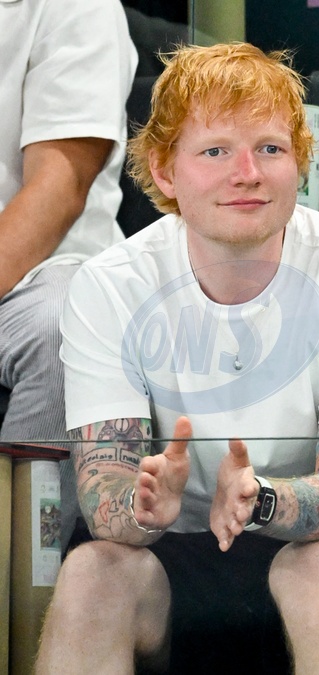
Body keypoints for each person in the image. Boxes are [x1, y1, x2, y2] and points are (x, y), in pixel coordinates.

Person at [36, 43, 319, 674]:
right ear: (164, 172)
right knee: (94, 574)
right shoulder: (108, 286)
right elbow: (104, 487)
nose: (247, 173)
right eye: (215, 151)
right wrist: (142, 507)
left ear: (298, 164)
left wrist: (263, 499)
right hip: (180, 546)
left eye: (270, 149)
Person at [0, 0, 137, 551]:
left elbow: (59, 187)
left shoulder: (78, 7)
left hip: (35, 270)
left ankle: (28, 572)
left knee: (63, 326)